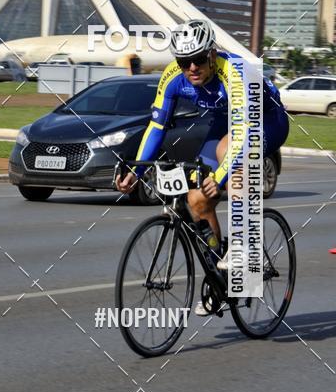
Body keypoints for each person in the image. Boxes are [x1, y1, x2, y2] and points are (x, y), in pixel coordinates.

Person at [116, 19, 289, 313]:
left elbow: (243, 134)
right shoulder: (173, 77)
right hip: (223, 122)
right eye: (184, 62)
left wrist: (219, 177)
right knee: (196, 198)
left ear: (212, 54)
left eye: (198, 59)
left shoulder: (235, 72)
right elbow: (156, 127)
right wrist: (137, 171)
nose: (192, 68)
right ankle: (221, 278)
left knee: (228, 160)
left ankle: (245, 248)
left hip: (266, 121)